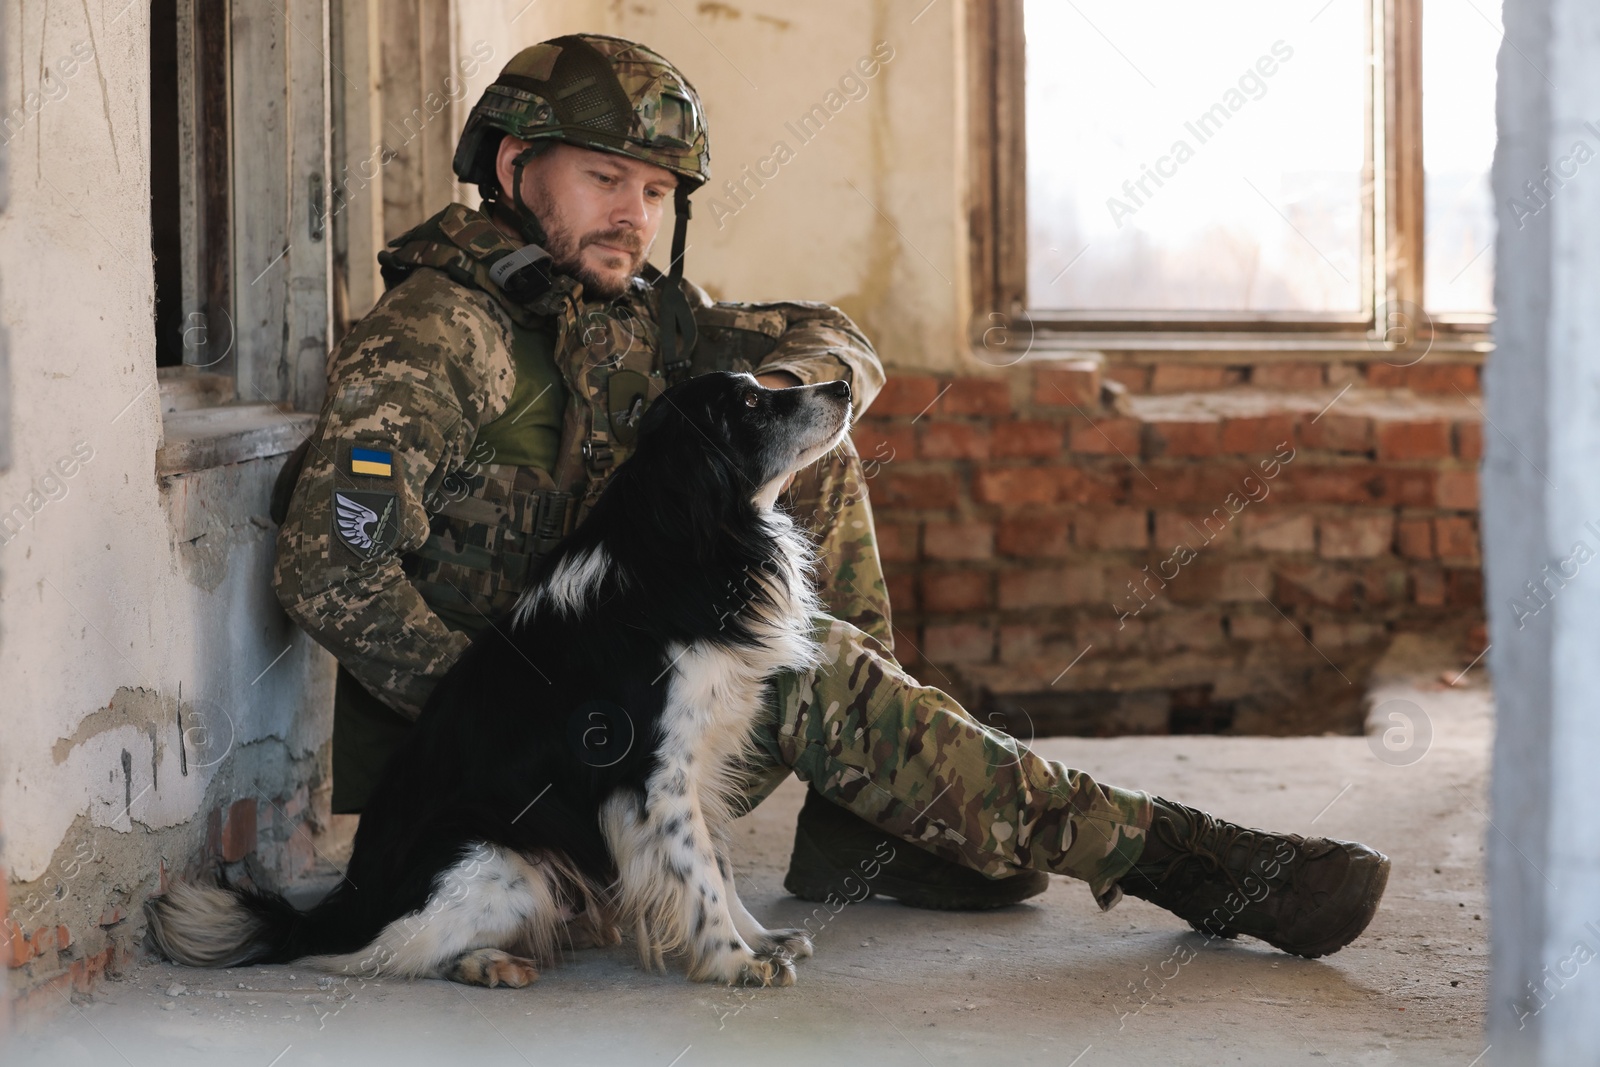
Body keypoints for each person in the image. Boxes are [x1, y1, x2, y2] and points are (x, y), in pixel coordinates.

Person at [272, 33, 1389, 959]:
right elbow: (329, 565)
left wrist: (788, 389)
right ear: (517, 168)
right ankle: (1179, 858)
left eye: (656, 190)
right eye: (604, 178)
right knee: (827, 675)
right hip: (514, 771)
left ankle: (872, 814)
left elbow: (833, 346)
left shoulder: (637, 315)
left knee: (808, 446)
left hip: (624, 700)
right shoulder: (438, 334)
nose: (634, 215)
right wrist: (508, 710)